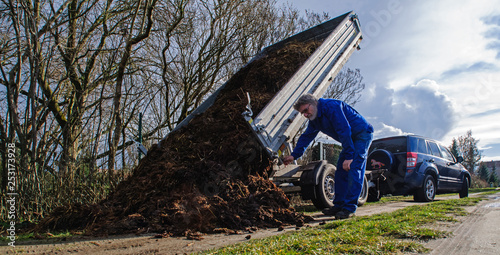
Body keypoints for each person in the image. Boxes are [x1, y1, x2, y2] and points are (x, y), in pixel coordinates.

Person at [282, 94, 373, 219]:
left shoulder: (332, 107)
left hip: (362, 135)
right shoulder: (315, 120)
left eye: (306, 110)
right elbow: (306, 136)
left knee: (353, 168)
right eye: (302, 113)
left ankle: (349, 208)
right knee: (340, 171)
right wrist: (294, 155)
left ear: (314, 103)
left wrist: (349, 156)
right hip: (350, 139)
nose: (305, 115)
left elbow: (344, 129)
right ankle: (339, 205)